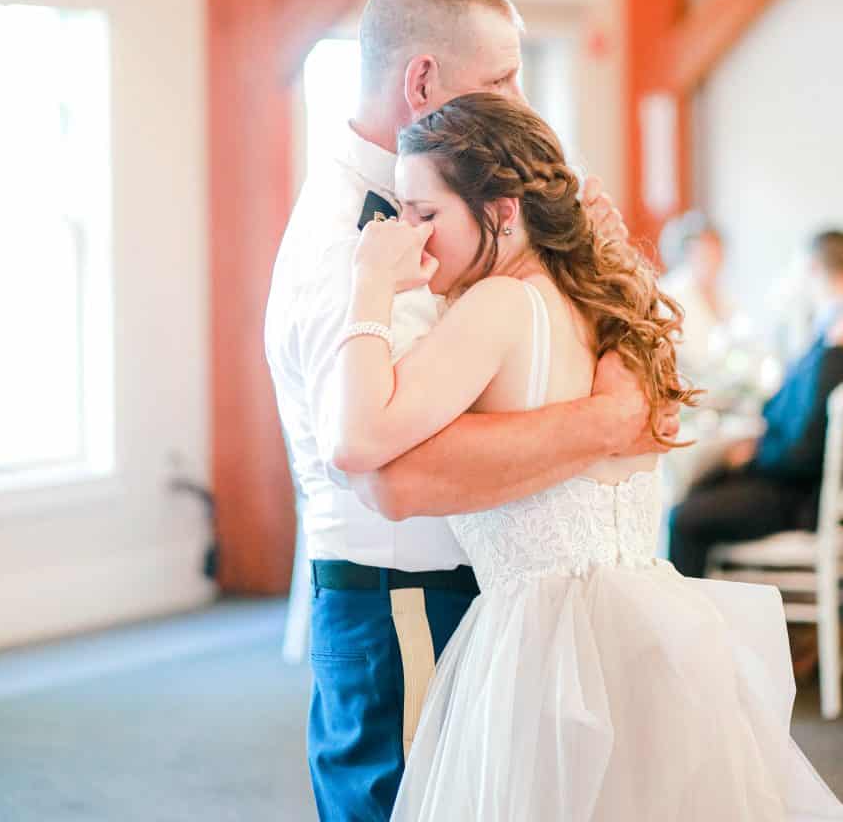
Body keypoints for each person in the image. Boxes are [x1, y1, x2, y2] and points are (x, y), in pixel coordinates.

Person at [327, 93, 843, 821]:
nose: (409, 236)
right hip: (647, 628)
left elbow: (355, 442)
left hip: (543, 645)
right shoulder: (606, 305)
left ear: (502, 211)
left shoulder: (500, 308)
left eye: (424, 214)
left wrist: (368, 286)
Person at [265, 0, 678, 822]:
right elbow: (394, 473)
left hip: (487, 584)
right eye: (501, 78)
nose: (523, 101)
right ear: (421, 81)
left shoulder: (467, 233)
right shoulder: (355, 242)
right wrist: (604, 420)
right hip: (397, 592)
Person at [669, 230, 843, 579]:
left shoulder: (835, 343)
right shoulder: (826, 331)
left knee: (684, 518)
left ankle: (692, 625)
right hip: (787, 474)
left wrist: (755, 454)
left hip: (796, 494)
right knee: (701, 482)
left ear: (811, 269)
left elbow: (806, 447)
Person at [659, 211, 735, 378]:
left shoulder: (723, 295)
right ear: (687, 253)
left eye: (717, 253)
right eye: (705, 253)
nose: (713, 260)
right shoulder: (669, 294)